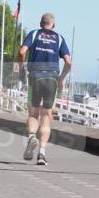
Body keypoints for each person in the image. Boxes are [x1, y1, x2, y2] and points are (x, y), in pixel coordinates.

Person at [18, 13, 71, 166]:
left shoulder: (34, 34)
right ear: (53, 25)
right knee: (46, 116)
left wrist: (21, 70)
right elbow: (69, 62)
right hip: (52, 78)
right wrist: (61, 78)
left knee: (33, 113)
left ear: (40, 24)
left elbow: (22, 52)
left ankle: (31, 136)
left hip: (35, 77)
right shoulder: (59, 38)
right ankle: (42, 154)